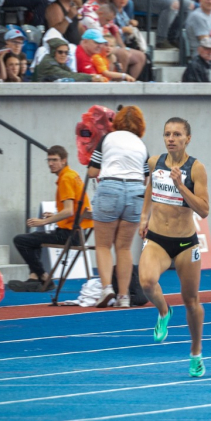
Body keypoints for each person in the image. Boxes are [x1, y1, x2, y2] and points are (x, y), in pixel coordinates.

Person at [139, 117, 210, 378]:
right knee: (146, 282)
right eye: (167, 133)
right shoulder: (154, 162)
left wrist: (181, 186)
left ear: (187, 139)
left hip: (184, 244)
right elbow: (151, 188)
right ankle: (164, 311)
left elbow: (204, 210)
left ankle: (196, 352)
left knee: (191, 301)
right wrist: (144, 216)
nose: (171, 138)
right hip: (157, 238)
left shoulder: (196, 169)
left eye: (177, 134)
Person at [87, 106, 149, 307]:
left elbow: (92, 171)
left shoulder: (107, 139)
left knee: (103, 245)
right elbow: (146, 178)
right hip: (135, 191)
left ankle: (107, 289)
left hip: (110, 187)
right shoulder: (141, 144)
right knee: (124, 247)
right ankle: (124, 296)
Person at [8, 145, 92, 293]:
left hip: (70, 235)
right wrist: (53, 217)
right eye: (49, 160)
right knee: (34, 238)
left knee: (20, 240)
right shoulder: (72, 175)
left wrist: (44, 221)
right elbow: (74, 211)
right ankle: (35, 278)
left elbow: (68, 211)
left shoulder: (66, 178)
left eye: (54, 160)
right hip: (80, 233)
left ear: (64, 160)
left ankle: (43, 277)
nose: (50, 163)